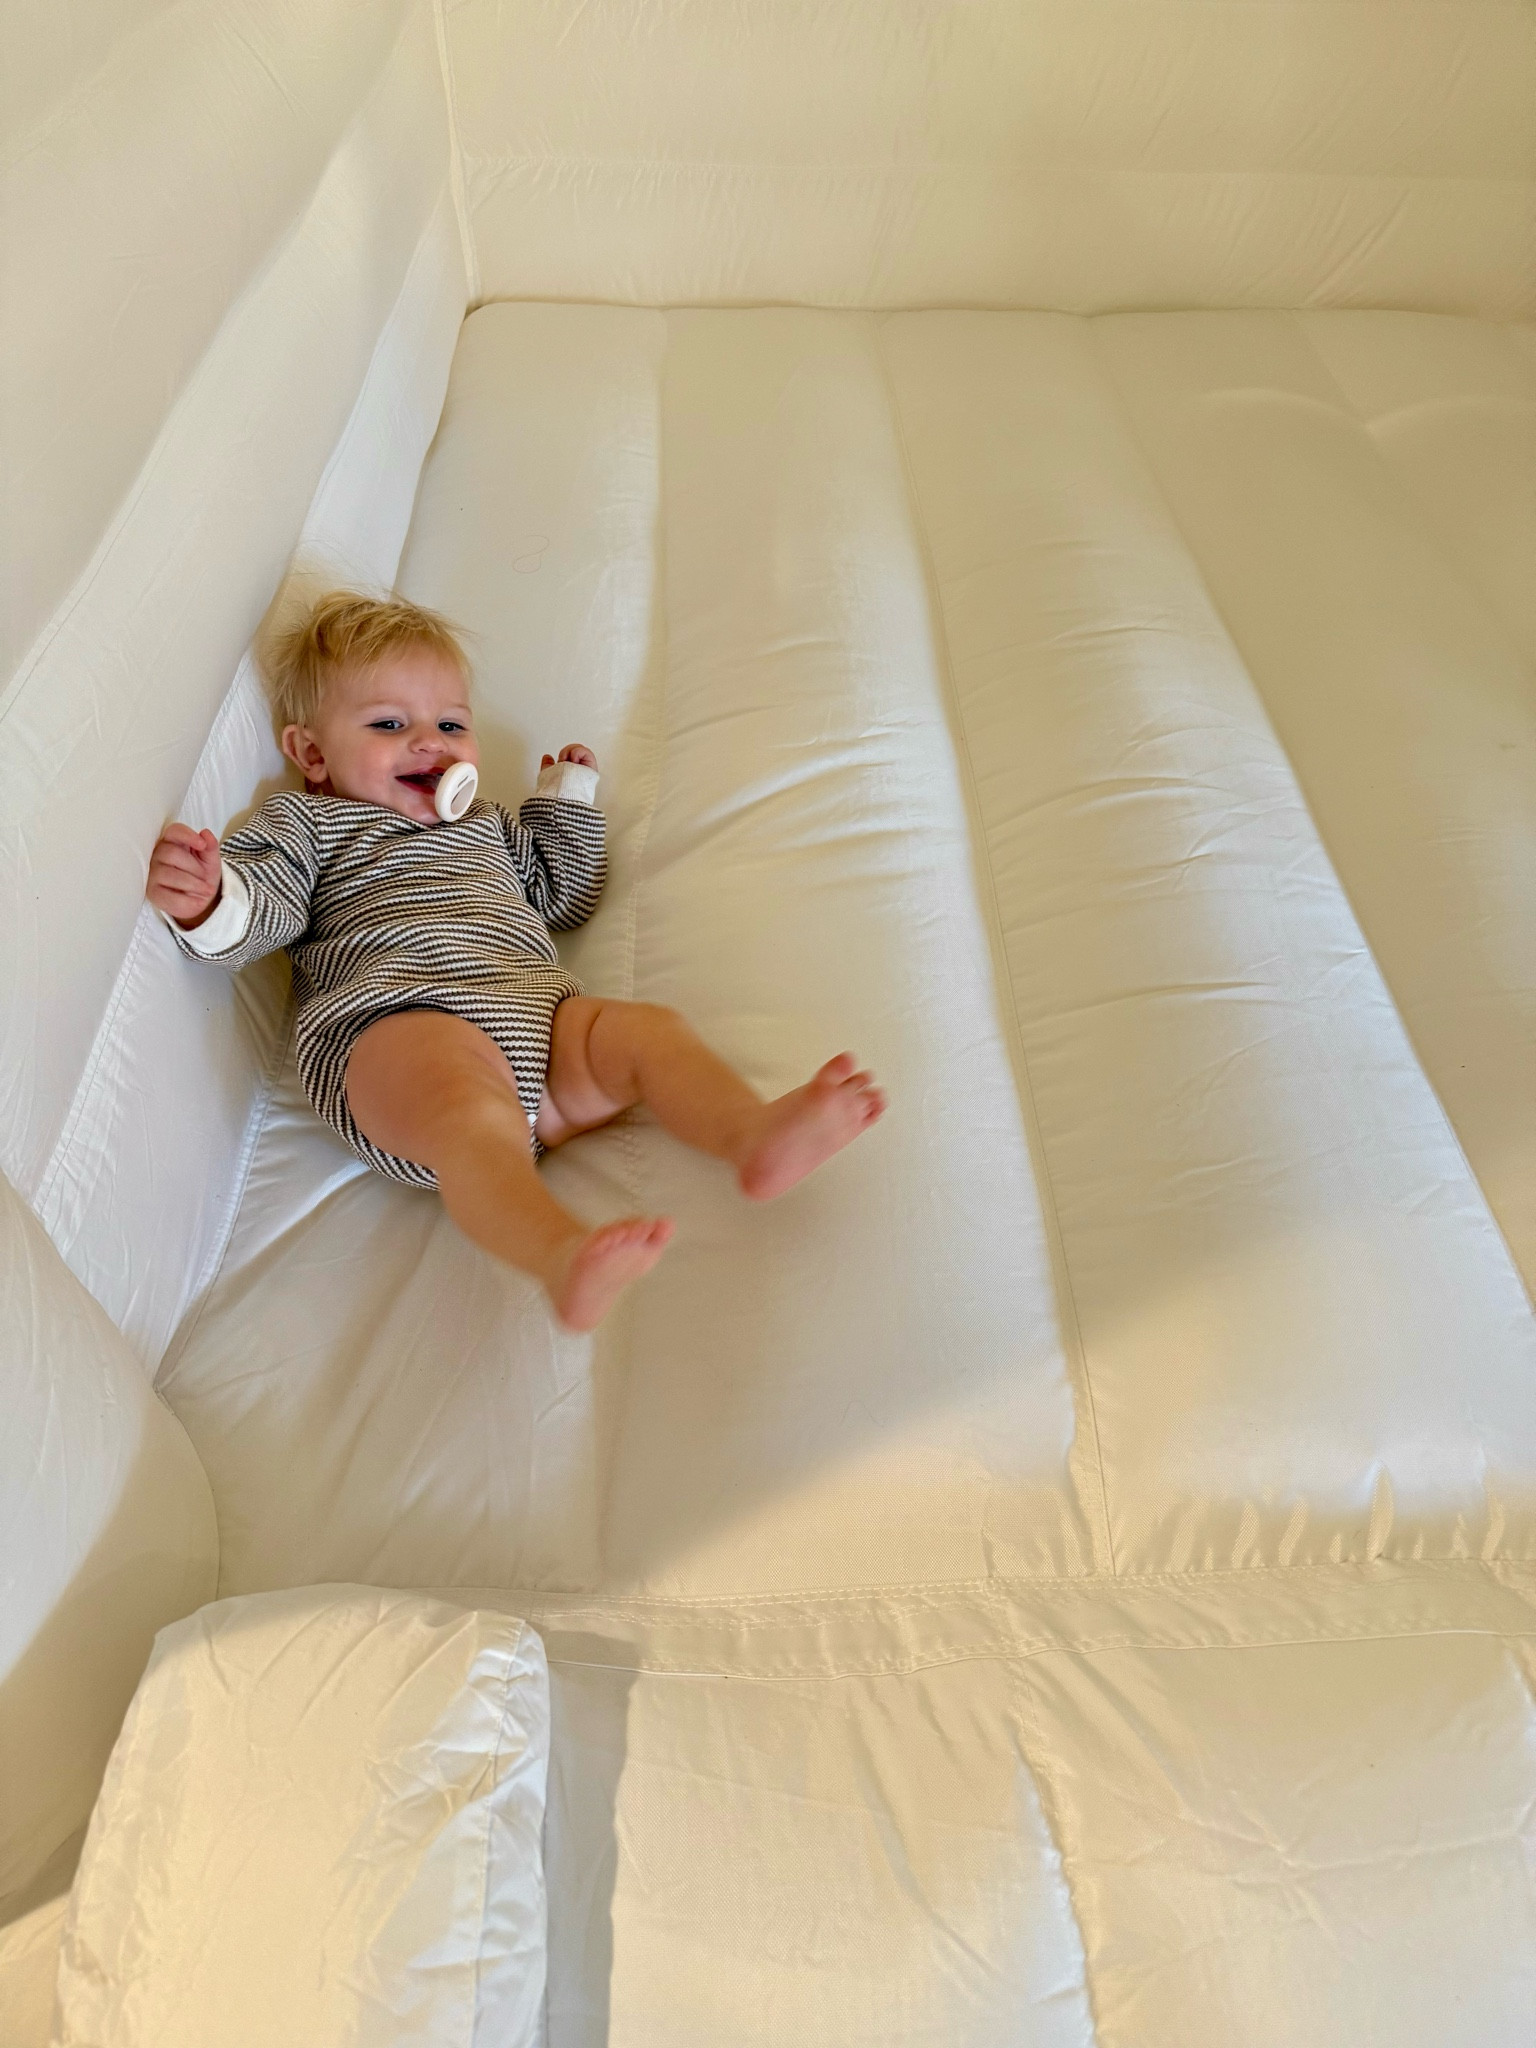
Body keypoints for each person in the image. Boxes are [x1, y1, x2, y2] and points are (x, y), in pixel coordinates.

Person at [147, 591, 885, 1331]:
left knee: (647, 1032)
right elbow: (265, 909)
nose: (430, 742)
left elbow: (563, 897)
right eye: (389, 724)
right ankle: (559, 1253)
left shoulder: (486, 823)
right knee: (469, 1110)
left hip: (538, 1017)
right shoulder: (312, 823)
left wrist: (564, 805)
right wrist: (211, 899)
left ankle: (751, 1133)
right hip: (398, 1025)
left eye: (451, 724)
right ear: (311, 753)